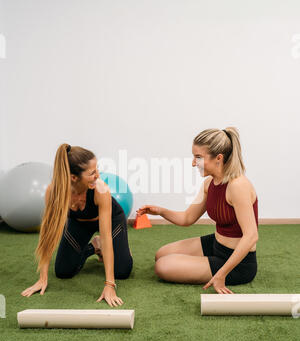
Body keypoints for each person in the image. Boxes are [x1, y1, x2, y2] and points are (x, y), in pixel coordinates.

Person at [137, 127, 258, 294]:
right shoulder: (209, 184)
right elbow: (187, 218)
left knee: (162, 266)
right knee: (161, 254)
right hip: (216, 244)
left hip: (238, 264)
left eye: (198, 157)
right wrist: (160, 211)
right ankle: (200, 263)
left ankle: (208, 265)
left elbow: (251, 236)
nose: (194, 163)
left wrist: (221, 273)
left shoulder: (238, 186)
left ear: (218, 158)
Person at [21, 144, 133, 307]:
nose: (98, 175)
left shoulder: (101, 190)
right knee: (63, 272)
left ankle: (112, 248)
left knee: (122, 271)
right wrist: (42, 278)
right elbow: (48, 234)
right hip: (79, 224)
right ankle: (94, 247)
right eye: (92, 173)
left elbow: (106, 235)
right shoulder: (54, 192)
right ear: (74, 177)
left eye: (97, 170)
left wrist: (109, 285)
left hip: (112, 220)